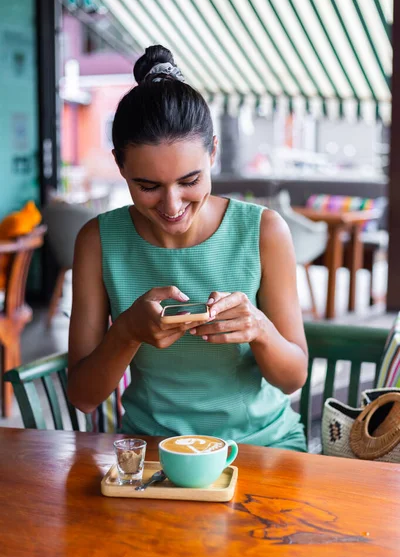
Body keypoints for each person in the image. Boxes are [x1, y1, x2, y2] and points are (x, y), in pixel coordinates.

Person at [67, 45, 308, 451]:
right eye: (148, 187)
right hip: (153, 451)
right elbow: (83, 396)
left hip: (262, 446)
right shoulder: (98, 241)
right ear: (120, 165)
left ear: (212, 151)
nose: (172, 205)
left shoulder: (264, 232)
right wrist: (126, 332)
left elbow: (292, 378)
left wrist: (259, 329)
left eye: (190, 181)